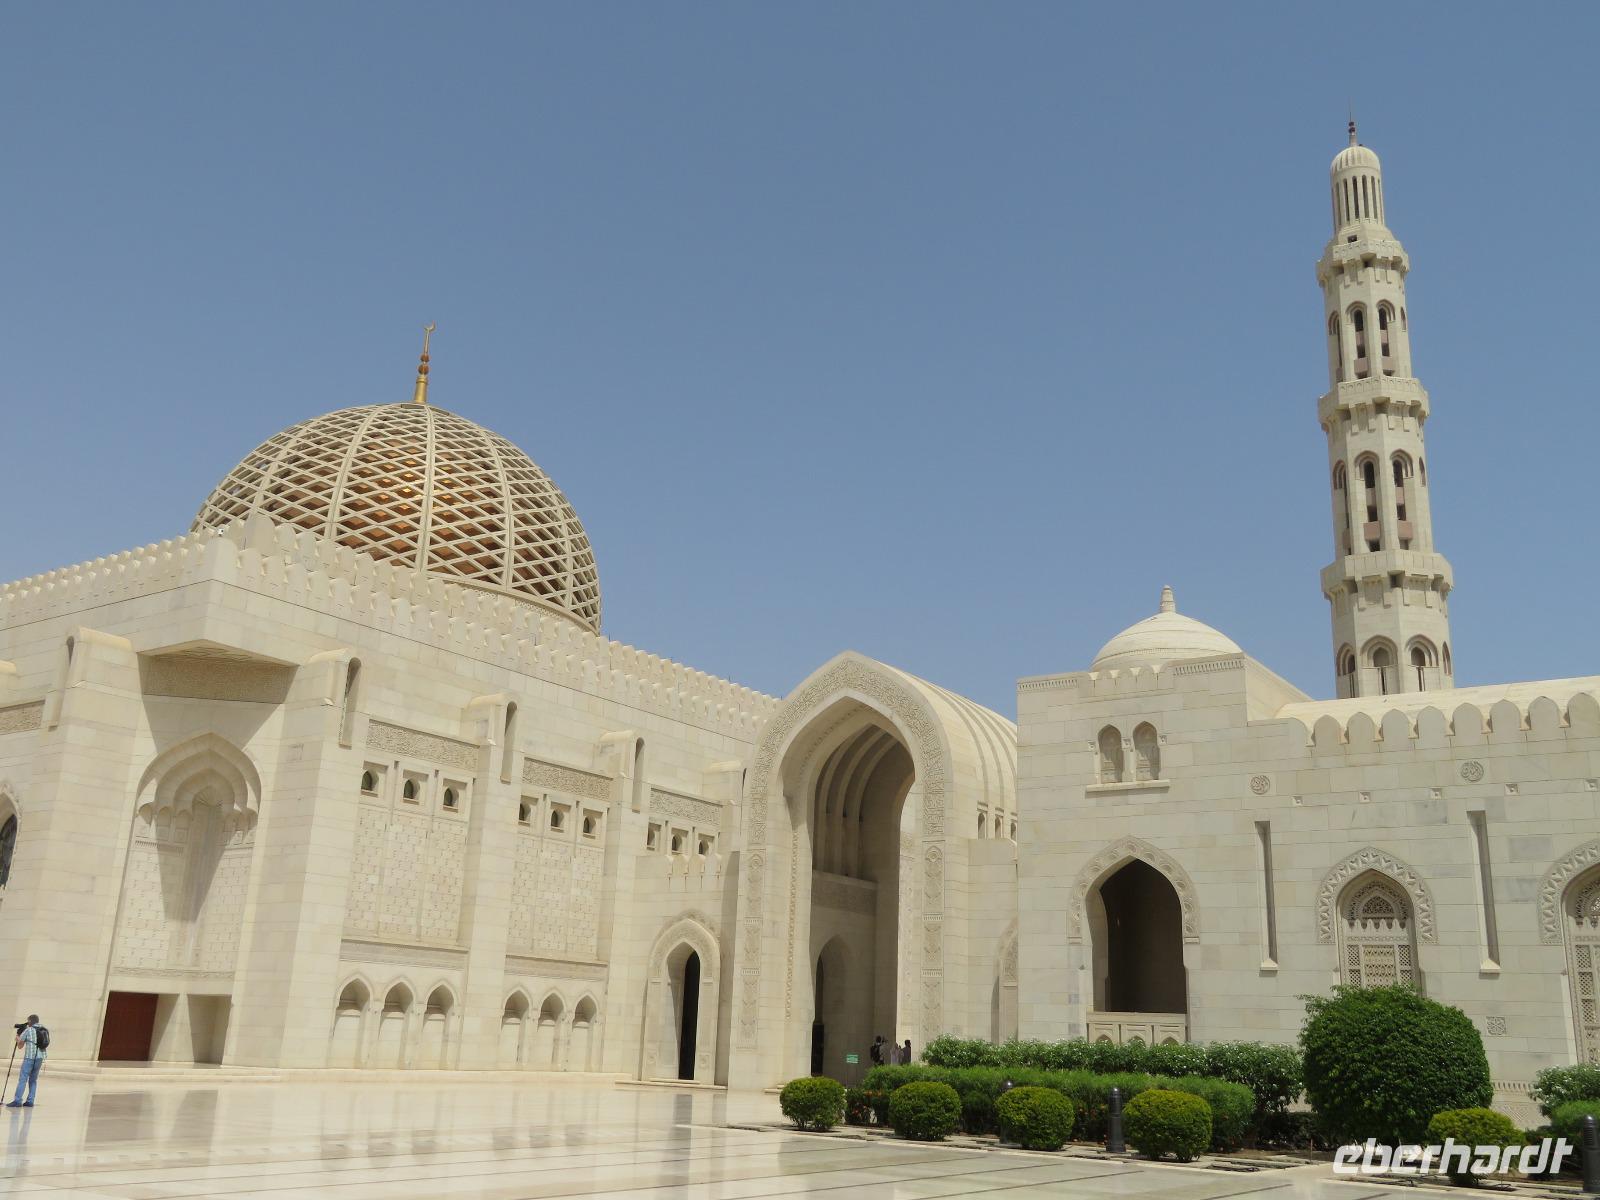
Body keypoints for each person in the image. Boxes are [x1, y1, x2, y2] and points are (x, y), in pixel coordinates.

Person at [7, 1017, 44, 1108]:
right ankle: (30, 1101)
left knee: (23, 1079)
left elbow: (20, 1045)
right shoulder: (44, 1029)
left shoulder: (29, 1030)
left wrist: (17, 1037)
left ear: (30, 1021)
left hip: (29, 1058)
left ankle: (17, 1101)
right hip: (40, 1058)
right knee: (33, 1080)